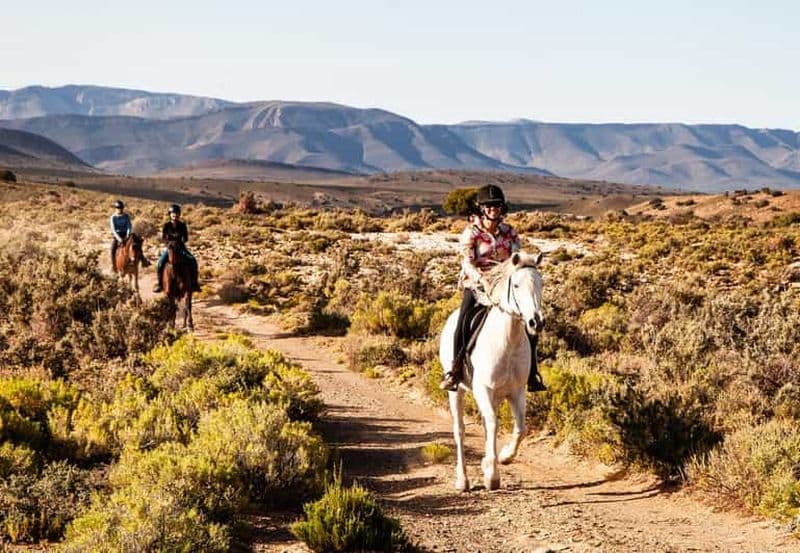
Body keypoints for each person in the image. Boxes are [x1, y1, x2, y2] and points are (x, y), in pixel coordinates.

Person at [439, 184, 546, 392]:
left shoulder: (510, 232)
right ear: (482, 208)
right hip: (477, 284)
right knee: (463, 319)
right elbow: (467, 262)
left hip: (503, 287)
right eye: (488, 206)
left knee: (529, 322)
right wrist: (482, 278)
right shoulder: (471, 232)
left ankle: (532, 374)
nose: (493, 209)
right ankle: (455, 370)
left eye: (496, 205)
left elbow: (516, 259)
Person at [152, 204, 200, 293]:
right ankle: (159, 284)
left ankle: (194, 283)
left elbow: (185, 238)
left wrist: (181, 241)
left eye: (177, 213)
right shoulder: (166, 225)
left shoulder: (182, 225)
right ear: (170, 214)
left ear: (179, 214)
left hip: (180, 247)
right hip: (170, 248)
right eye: (173, 213)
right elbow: (164, 238)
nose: (175, 215)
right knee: (160, 263)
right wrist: (169, 243)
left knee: (193, 261)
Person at [109, 199, 132, 272]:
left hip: (126, 234)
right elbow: (113, 230)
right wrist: (119, 239)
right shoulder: (113, 217)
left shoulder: (126, 216)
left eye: (121, 208)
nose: (120, 210)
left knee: (135, 245)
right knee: (112, 249)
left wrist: (128, 234)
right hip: (117, 236)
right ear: (116, 209)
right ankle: (114, 266)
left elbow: (129, 226)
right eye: (119, 208)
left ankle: (143, 261)